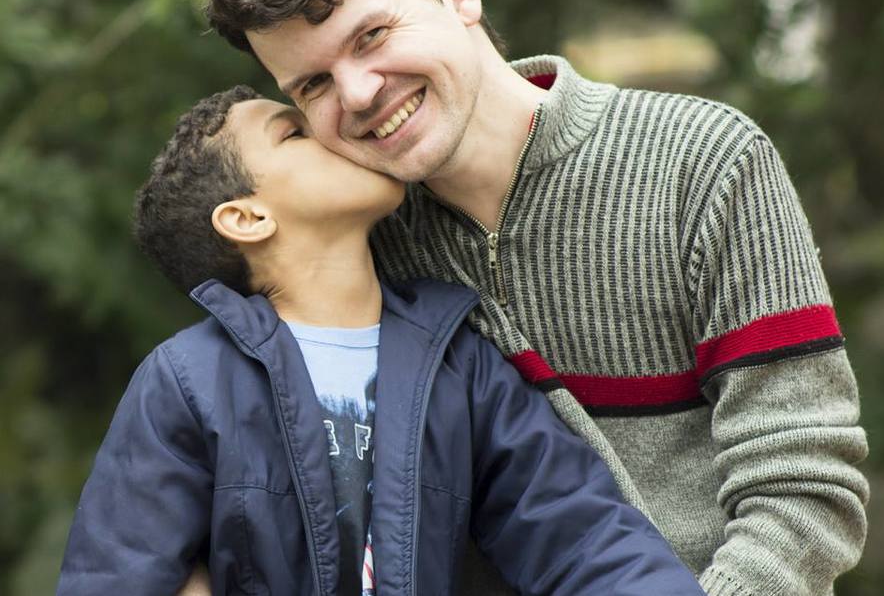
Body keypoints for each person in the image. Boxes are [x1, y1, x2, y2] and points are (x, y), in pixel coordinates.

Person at [204, 0, 870, 595]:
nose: (359, 93)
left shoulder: (703, 163)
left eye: (372, 36)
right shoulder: (356, 250)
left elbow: (803, 486)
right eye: (314, 85)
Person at [56, 86, 705, 595]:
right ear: (247, 217)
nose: (335, 130)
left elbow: (582, 537)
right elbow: (116, 573)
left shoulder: (461, 366)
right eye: (295, 132)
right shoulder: (188, 380)